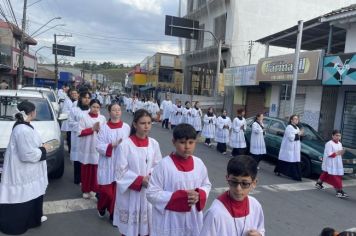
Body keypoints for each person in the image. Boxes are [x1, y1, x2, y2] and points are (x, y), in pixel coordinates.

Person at [147, 123, 211, 235]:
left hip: (193, 217)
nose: (187, 146)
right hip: (170, 219)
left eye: (191, 142)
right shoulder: (164, 165)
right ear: (174, 142)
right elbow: (151, 193)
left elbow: (206, 185)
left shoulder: (199, 164)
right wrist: (178, 197)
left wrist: (199, 194)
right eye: (182, 142)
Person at [0, 101, 50, 235]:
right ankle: (17, 225)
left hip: (28, 171)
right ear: (31, 113)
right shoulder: (22, 129)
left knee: (32, 194)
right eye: (35, 110)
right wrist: (43, 149)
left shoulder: (24, 126)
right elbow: (26, 154)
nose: (36, 112)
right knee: (22, 197)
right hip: (22, 171)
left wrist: (40, 147)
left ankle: (34, 219)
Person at [113, 109, 162, 235]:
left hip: (148, 191)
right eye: (142, 123)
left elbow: (158, 166)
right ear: (135, 124)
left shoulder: (154, 144)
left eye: (149, 123)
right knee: (130, 230)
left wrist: (150, 177)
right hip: (131, 193)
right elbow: (120, 171)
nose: (146, 126)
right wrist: (140, 180)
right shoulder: (125, 145)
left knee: (147, 229)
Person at [199, 155, 265, 236]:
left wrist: (259, 234)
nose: (238, 188)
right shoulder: (215, 213)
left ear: (254, 183)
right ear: (227, 178)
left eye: (244, 183)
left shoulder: (255, 206)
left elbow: (261, 229)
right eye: (234, 182)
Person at [96, 103, 130, 221]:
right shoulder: (104, 128)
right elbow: (98, 146)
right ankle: (101, 207)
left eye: (119, 110)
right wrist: (112, 145)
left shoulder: (126, 127)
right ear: (109, 112)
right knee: (107, 192)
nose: (117, 112)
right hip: (108, 162)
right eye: (114, 110)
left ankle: (112, 214)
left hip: (121, 162)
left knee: (117, 192)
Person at [78, 99, 106, 199]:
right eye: (94, 106)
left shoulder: (102, 118)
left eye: (98, 107)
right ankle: (86, 190)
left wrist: (99, 130)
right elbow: (79, 132)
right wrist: (92, 129)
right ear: (90, 106)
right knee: (86, 170)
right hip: (86, 147)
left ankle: (94, 189)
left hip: (97, 147)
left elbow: (105, 134)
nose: (95, 109)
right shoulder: (84, 117)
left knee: (96, 170)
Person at [315, 130, 348, 198]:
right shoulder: (329, 143)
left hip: (337, 162)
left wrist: (342, 152)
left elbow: (340, 153)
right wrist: (337, 153)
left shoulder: (340, 143)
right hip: (330, 162)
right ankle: (339, 191)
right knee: (335, 177)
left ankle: (319, 183)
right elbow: (329, 154)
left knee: (326, 173)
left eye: (339, 136)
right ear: (332, 136)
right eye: (336, 135)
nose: (338, 137)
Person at [68, 91, 91, 184]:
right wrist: (82, 125)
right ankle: (78, 179)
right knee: (78, 159)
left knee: (87, 159)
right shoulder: (75, 110)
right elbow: (70, 123)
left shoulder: (91, 110)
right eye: (85, 97)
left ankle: (86, 179)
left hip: (89, 138)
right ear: (80, 98)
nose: (87, 99)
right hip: (78, 138)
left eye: (88, 98)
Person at [274, 115, 303, 181]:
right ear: (291, 120)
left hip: (295, 148)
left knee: (294, 160)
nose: (296, 120)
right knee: (288, 159)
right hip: (289, 147)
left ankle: (296, 175)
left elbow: (299, 137)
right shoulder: (289, 127)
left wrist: (301, 134)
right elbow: (291, 137)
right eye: (295, 119)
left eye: (297, 119)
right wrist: (299, 134)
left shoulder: (297, 128)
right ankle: (284, 172)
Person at [61, 88, 78, 153]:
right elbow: (64, 111)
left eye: (75, 93)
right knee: (70, 138)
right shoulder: (67, 101)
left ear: (78, 94)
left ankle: (74, 150)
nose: (74, 95)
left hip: (76, 123)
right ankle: (70, 151)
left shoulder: (78, 101)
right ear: (70, 95)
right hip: (69, 123)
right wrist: (73, 112)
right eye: (72, 93)